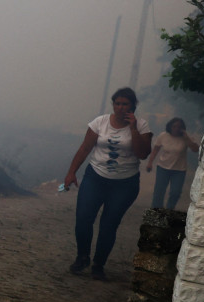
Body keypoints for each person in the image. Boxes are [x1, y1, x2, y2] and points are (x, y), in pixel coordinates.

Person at [63, 87, 152, 281]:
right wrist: (71, 173)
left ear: (133, 106)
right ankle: (82, 257)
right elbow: (85, 148)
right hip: (95, 176)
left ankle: (99, 264)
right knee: (84, 218)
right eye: (117, 103)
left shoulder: (143, 126)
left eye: (125, 104)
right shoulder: (99, 122)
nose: (120, 107)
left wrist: (134, 129)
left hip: (124, 183)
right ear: (113, 105)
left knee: (109, 225)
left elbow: (143, 154)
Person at [146, 117, 199, 210]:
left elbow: (195, 149)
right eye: (174, 126)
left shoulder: (186, 138)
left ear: (182, 128)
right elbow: (155, 150)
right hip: (163, 168)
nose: (176, 129)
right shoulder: (163, 136)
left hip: (179, 170)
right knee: (159, 191)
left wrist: (187, 138)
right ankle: (156, 211)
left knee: (176, 192)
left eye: (179, 127)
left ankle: (169, 210)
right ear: (170, 127)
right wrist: (150, 163)